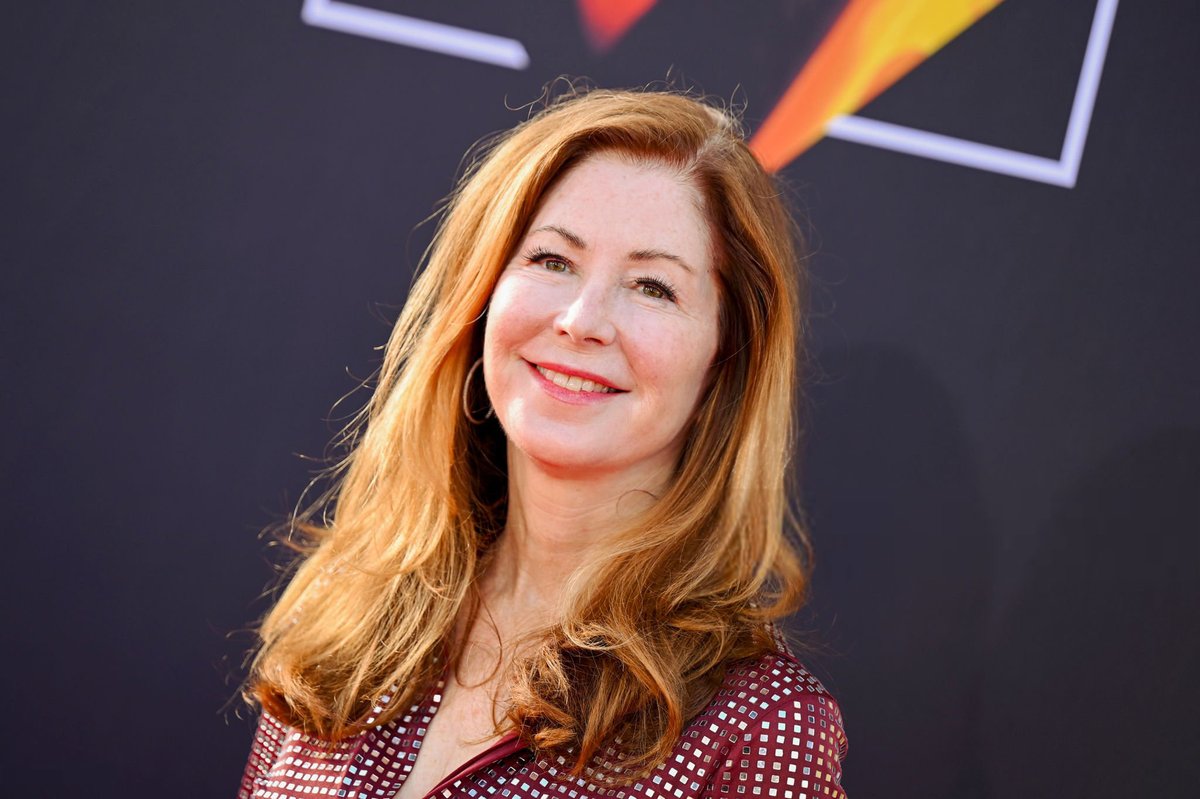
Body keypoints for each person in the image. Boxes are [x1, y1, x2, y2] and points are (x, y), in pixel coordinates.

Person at [238, 86, 848, 799]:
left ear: (725, 354)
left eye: (653, 286)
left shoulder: (756, 728)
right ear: (483, 291)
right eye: (554, 261)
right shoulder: (348, 609)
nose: (582, 319)